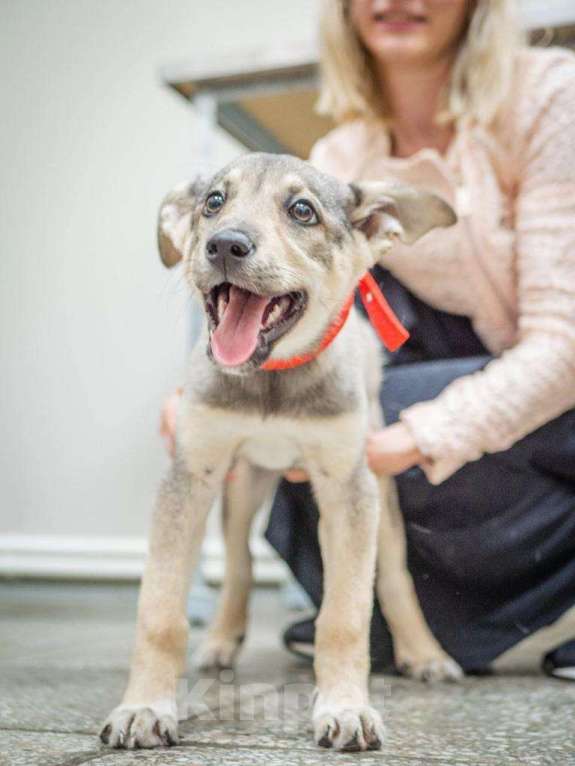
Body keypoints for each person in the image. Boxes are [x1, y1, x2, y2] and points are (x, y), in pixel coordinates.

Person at [162, 0, 575, 677]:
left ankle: (425, 611)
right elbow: (305, 316)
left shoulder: (550, 96)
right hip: (456, 358)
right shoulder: (341, 154)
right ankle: (395, 617)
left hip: (552, 376)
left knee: (338, 425)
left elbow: (562, 345)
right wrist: (209, 390)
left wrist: (404, 440)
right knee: (295, 415)